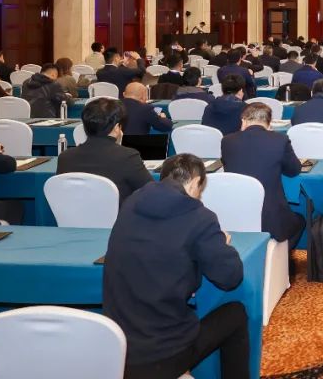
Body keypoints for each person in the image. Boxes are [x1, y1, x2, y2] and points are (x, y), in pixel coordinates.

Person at [104, 153, 249, 379]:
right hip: (164, 353)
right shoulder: (199, 217)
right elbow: (230, 277)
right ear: (195, 182)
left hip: (117, 345)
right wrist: (221, 242)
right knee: (236, 314)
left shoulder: (130, 203)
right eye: (200, 190)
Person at [221, 103, 305, 246]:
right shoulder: (280, 140)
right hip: (271, 220)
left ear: (243, 121)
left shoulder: (227, 141)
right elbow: (294, 170)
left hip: (234, 216)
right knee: (301, 220)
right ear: (269, 123)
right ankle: (279, 256)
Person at [57, 97, 152, 203]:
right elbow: (151, 192)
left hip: (74, 213)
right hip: (118, 213)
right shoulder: (128, 156)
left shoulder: (65, 157)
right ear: (116, 128)